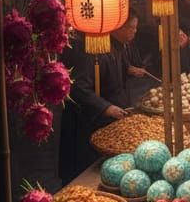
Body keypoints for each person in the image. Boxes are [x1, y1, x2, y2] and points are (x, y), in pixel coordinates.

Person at [58, 11, 148, 182]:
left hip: (114, 115)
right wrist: (106, 108)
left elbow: (115, 64)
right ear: (117, 26)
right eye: (131, 28)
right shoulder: (88, 48)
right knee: (88, 174)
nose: (134, 33)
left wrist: (129, 69)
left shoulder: (115, 44)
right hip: (88, 122)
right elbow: (79, 88)